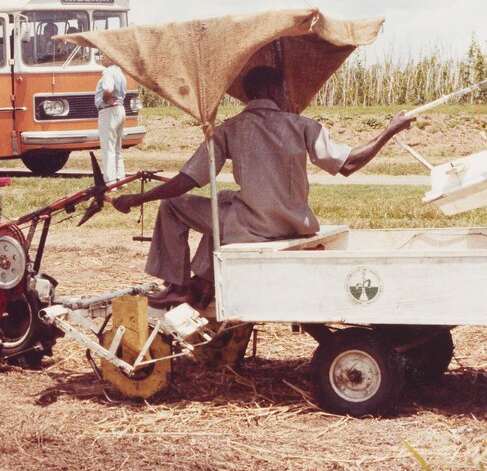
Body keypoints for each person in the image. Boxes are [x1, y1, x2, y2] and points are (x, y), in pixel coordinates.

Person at [111, 65, 415, 308]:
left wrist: (138, 199)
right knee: (225, 201)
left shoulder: (229, 129)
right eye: (283, 90)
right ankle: (203, 285)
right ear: (272, 90)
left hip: (254, 227)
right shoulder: (302, 125)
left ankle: (179, 287)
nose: (286, 95)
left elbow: (185, 182)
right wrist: (389, 131)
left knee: (174, 206)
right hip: (296, 224)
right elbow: (348, 164)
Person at [96, 50, 127, 184]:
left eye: (106, 54)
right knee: (117, 148)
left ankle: (110, 182)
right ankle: (121, 179)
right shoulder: (120, 72)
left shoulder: (108, 72)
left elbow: (108, 89)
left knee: (108, 148)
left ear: (113, 57)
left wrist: (105, 99)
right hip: (120, 109)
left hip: (109, 111)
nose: (102, 56)